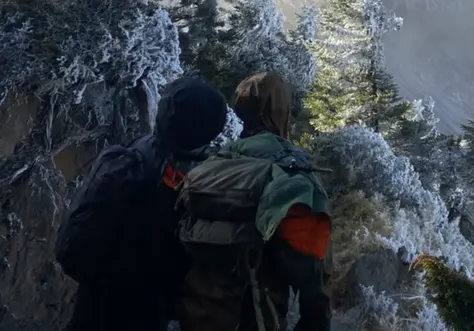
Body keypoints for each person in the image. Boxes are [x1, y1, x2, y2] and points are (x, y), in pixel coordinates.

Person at [56, 77, 228, 331]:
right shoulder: (212, 182)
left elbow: (72, 249)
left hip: (100, 310)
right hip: (154, 314)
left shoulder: (129, 163)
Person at [177, 71, 332, 331]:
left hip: (194, 315)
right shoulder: (291, 174)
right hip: (255, 320)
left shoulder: (211, 164)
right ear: (281, 111)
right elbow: (312, 273)